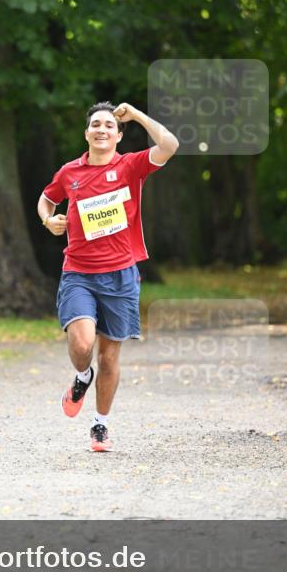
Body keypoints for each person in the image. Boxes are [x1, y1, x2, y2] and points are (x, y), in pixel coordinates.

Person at [37, 101, 179, 452]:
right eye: (95, 125)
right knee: (83, 344)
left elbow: (170, 144)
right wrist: (48, 220)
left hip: (120, 275)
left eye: (109, 125)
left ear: (117, 134)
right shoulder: (70, 172)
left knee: (110, 357)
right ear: (87, 133)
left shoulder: (130, 166)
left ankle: (100, 425)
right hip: (79, 273)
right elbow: (46, 199)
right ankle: (82, 376)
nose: (102, 129)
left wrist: (138, 116)